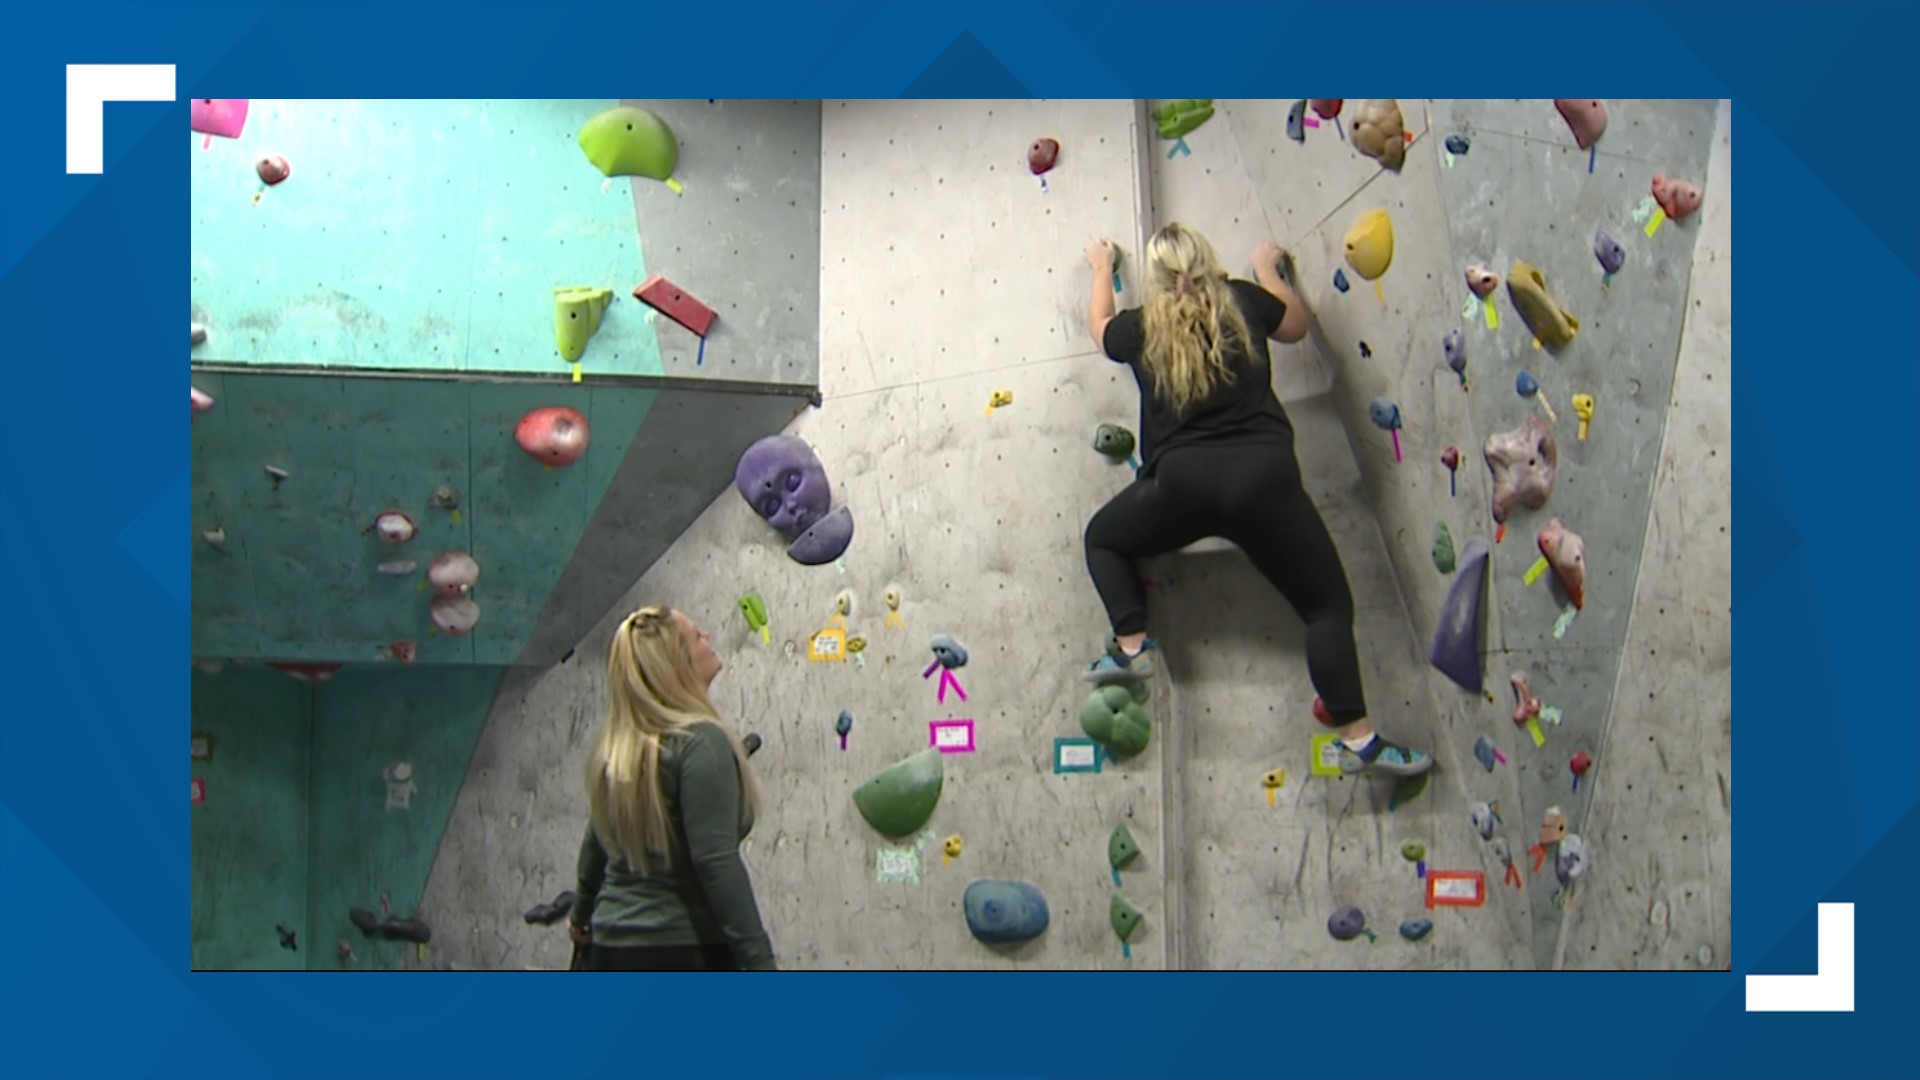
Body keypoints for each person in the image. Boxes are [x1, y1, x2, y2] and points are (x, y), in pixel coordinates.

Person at [1077, 222, 1432, 778]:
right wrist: (1269, 268)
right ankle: (1357, 740)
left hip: (1182, 485)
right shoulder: (1241, 299)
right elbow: (1295, 324)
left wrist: (1101, 268)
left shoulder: (1141, 327)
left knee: (1102, 537)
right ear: (1206, 259)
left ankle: (1130, 644)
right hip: (1265, 479)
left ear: (1157, 278)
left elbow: (1099, 328)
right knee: (1327, 608)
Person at [566, 605, 779, 969]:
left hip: (612, 947)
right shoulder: (701, 742)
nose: (708, 637)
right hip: (683, 950)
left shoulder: (620, 747)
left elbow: (596, 841)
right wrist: (760, 962)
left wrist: (581, 914)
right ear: (677, 663)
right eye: (697, 635)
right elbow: (715, 862)